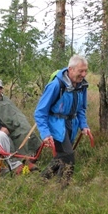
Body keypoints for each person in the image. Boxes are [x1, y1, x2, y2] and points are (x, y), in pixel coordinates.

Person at [34, 55, 90, 186]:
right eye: (80, 71)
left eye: (85, 70)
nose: (84, 74)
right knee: (68, 156)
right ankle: (61, 189)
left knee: (61, 157)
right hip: (56, 125)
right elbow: (40, 112)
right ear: (70, 69)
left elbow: (81, 108)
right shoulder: (55, 85)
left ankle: (40, 183)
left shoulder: (82, 85)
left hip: (71, 125)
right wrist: (45, 133)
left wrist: (84, 125)